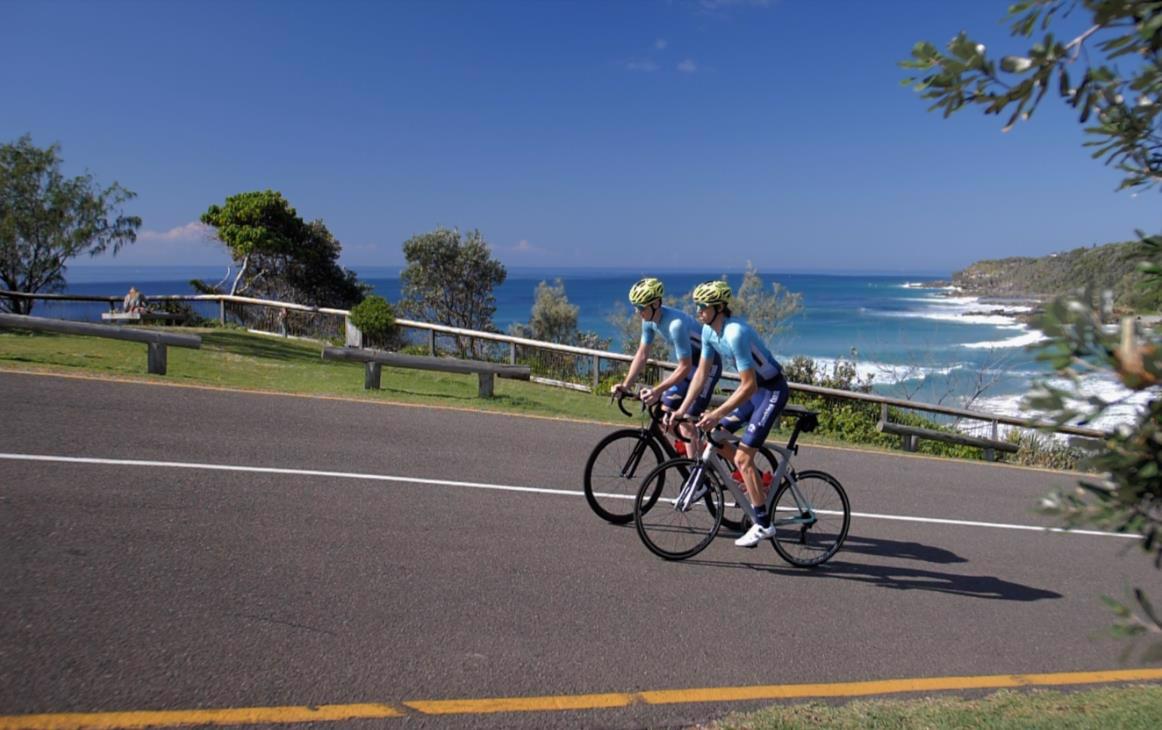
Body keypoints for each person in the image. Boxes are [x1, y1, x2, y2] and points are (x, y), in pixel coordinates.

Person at [668, 280, 790, 548]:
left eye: (703, 307)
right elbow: (700, 373)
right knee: (715, 433)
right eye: (697, 306)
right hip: (755, 391)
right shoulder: (709, 332)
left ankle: (763, 524)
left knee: (743, 457)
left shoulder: (736, 333)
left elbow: (749, 385)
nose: (698, 311)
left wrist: (717, 411)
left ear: (719, 308)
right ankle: (757, 481)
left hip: (771, 391)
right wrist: (682, 409)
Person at [612, 277, 722, 451]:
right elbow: (642, 354)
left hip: (708, 365)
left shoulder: (675, 326)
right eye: (635, 306)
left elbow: (684, 367)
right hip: (691, 365)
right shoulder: (648, 321)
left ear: (655, 304)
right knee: (663, 416)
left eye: (641, 307)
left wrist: (657, 390)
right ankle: (696, 448)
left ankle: (696, 473)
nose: (636, 311)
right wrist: (626, 385)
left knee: (686, 420)